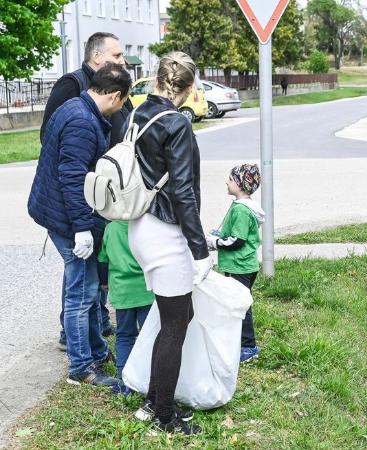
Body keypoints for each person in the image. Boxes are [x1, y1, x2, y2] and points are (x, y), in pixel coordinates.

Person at [27, 63, 132, 387]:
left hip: (58, 211)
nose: (120, 110)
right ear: (114, 96)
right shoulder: (82, 122)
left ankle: (96, 351)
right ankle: (81, 368)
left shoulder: (75, 106)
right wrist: (81, 229)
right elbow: (73, 178)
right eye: (122, 103)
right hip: (65, 217)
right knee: (81, 292)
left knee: (87, 286)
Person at [124, 52, 210, 436]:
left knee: (178, 315)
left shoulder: (137, 114)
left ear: (157, 79)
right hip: (165, 233)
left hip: (140, 225)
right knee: (175, 325)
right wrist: (200, 250)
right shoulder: (177, 124)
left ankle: (154, 399)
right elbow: (183, 192)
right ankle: (164, 417)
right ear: (189, 89)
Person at [43, 32, 132, 350]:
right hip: (79, 197)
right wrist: (81, 223)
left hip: (98, 192)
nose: (122, 60)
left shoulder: (111, 87)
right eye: (117, 55)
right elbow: (65, 158)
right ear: (96, 57)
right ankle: (77, 348)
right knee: (81, 278)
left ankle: (95, 331)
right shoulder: (73, 89)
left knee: (93, 271)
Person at [206, 163, 265, 363]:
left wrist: (214, 243)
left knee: (241, 306)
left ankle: (248, 346)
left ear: (240, 184)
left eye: (231, 179)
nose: (227, 182)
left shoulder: (241, 210)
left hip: (239, 266)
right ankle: (237, 341)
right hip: (242, 265)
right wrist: (219, 234)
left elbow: (237, 240)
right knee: (236, 303)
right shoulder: (243, 206)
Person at [97, 220, 155, 394]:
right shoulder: (147, 225)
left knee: (124, 336)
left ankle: (124, 382)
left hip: (122, 292)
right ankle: (150, 379)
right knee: (150, 337)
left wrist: (104, 282)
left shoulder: (111, 228)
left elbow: (102, 260)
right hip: (146, 291)